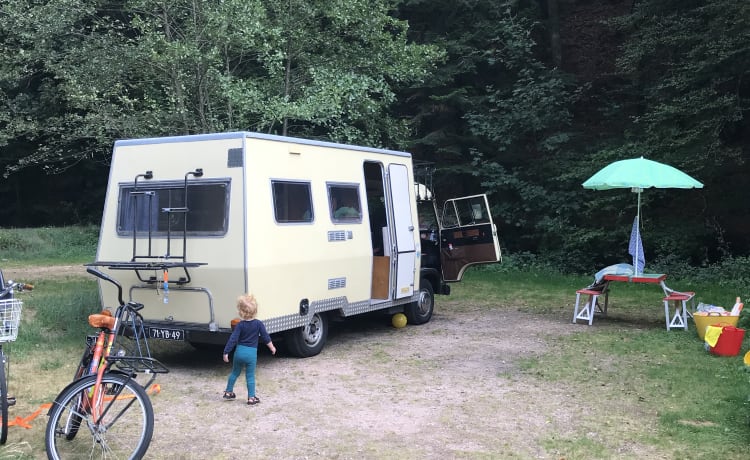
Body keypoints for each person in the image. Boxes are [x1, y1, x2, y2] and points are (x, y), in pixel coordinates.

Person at [222, 294, 276, 405]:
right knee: (250, 376)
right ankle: (251, 398)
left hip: (239, 352)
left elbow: (233, 339)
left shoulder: (240, 325)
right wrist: (272, 347)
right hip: (251, 354)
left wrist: (226, 352)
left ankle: (228, 392)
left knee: (235, 372)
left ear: (240, 311)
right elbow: (266, 337)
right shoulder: (258, 324)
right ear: (255, 310)